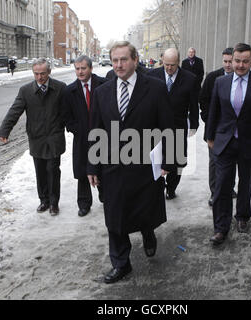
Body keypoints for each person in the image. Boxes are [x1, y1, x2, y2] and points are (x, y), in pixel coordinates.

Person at [87, 41, 175, 284]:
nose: (118, 65)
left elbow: (168, 125)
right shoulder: (102, 92)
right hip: (113, 167)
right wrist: (92, 166)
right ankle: (121, 263)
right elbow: (96, 131)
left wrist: (170, 159)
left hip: (145, 166)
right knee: (114, 217)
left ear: (135, 60)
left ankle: (148, 233)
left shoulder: (155, 88)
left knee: (145, 210)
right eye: (114, 60)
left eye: (124, 59)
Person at [206, 43, 251, 245]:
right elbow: (214, 111)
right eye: (237, 60)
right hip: (224, 142)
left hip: (249, 142)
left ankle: (243, 217)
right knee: (222, 186)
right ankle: (220, 228)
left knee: (245, 183)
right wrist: (209, 137)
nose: (240, 65)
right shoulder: (221, 82)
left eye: (245, 61)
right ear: (232, 59)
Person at [0, 58, 67, 216]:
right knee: (40, 171)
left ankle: (54, 203)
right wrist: (4, 131)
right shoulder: (25, 91)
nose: (40, 77)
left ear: (49, 72)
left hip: (54, 137)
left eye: (43, 73)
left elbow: (68, 111)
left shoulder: (60, 88)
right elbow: (14, 111)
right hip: (37, 137)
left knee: (53, 171)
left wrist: (67, 126)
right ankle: (44, 201)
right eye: (36, 74)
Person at [147, 48, 199, 200]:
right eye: (166, 64)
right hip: (155, 126)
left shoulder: (190, 79)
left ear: (179, 63)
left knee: (177, 160)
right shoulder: (152, 76)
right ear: (162, 61)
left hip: (178, 125)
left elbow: (193, 104)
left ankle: (171, 187)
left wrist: (194, 124)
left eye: (173, 65)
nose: (169, 68)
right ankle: (157, 186)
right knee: (156, 157)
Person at [64, 56, 108, 217]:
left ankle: (106, 197)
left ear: (90, 68)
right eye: (77, 69)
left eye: (83, 68)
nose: (80, 72)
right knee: (82, 171)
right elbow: (67, 118)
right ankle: (84, 203)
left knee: (103, 167)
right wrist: (79, 130)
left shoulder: (104, 85)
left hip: (103, 137)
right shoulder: (69, 91)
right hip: (82, 139)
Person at [199, 48, 237, 206]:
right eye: (225, 61)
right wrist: (209, 119)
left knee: (231, 160)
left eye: (230, 61)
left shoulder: (240, 78)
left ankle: (229, 188)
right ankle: (215, 192)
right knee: (215, 161)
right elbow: (203, 99)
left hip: (233, 130)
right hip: (215, 129)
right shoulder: (213, 77)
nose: (228, 65)